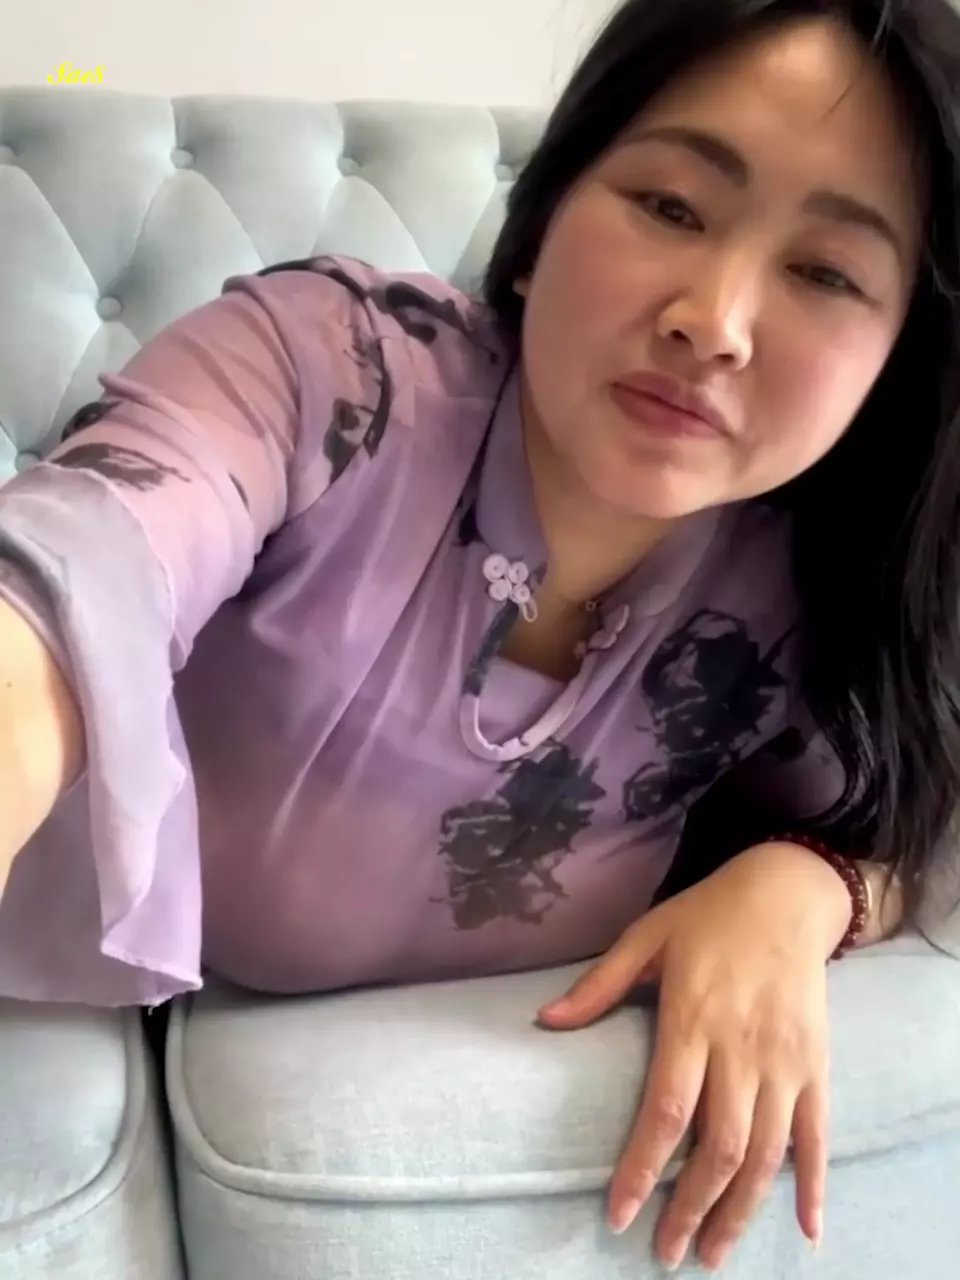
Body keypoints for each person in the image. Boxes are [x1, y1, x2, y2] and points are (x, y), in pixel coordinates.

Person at [2, 0, 960, 1269]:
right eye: (671, 205)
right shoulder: (330, 368)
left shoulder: (816, 585)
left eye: (827, 272)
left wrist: (803, 887)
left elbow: (913, 814)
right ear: (546, 215)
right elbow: (86, 560)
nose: (715, 319)